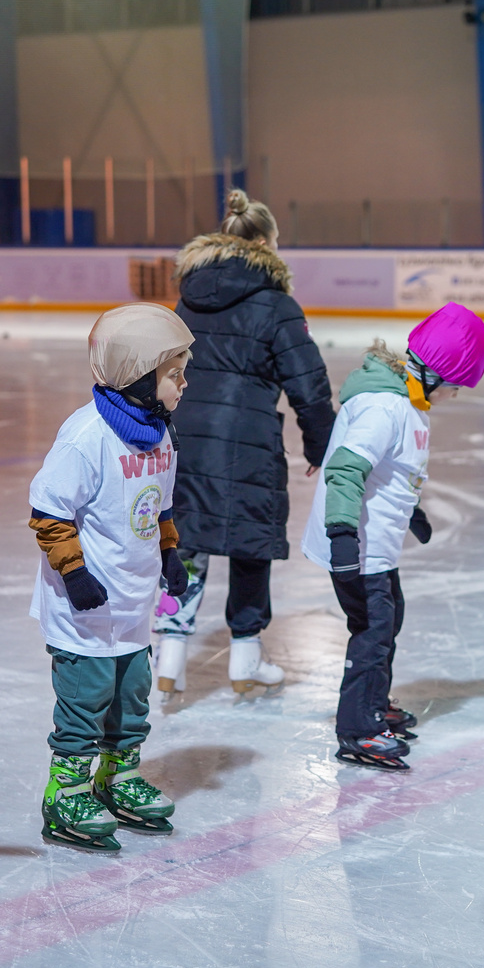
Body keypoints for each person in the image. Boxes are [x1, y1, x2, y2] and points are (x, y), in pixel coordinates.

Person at [156, 189, 336, 698]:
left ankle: (170, 652)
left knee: (184, 541)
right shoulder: (278, 305)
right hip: (249, 443)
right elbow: (310, 385)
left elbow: (163, 368)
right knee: (248, 545)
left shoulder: (187, 297)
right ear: (264, 242)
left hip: (182, 439)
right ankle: (245, 659)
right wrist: (320, 449)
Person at [28, 303, 193, 852]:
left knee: (131, 697)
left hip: (132, 603)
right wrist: (74, 574)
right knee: (85, 700)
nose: (183, 384)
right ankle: (66, 790)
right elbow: (49, 513)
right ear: (140, 377)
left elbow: (161, 508)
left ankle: (116, 777)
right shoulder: (87, 437)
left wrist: (170, 555)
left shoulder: (159, 435)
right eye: (174, 374)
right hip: (85, 609)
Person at [301, 303, 484, 771]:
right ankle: (358, 729)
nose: (456, 396)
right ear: (435, 375)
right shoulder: (385, 407)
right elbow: (347, 470)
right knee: (371, 631)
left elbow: (394, 473)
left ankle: (373, 701)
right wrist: (343, 536)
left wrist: (414, 512)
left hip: (378, 545)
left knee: (389, 620)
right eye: (456, 387)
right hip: (356, 546)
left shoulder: (412, 403)